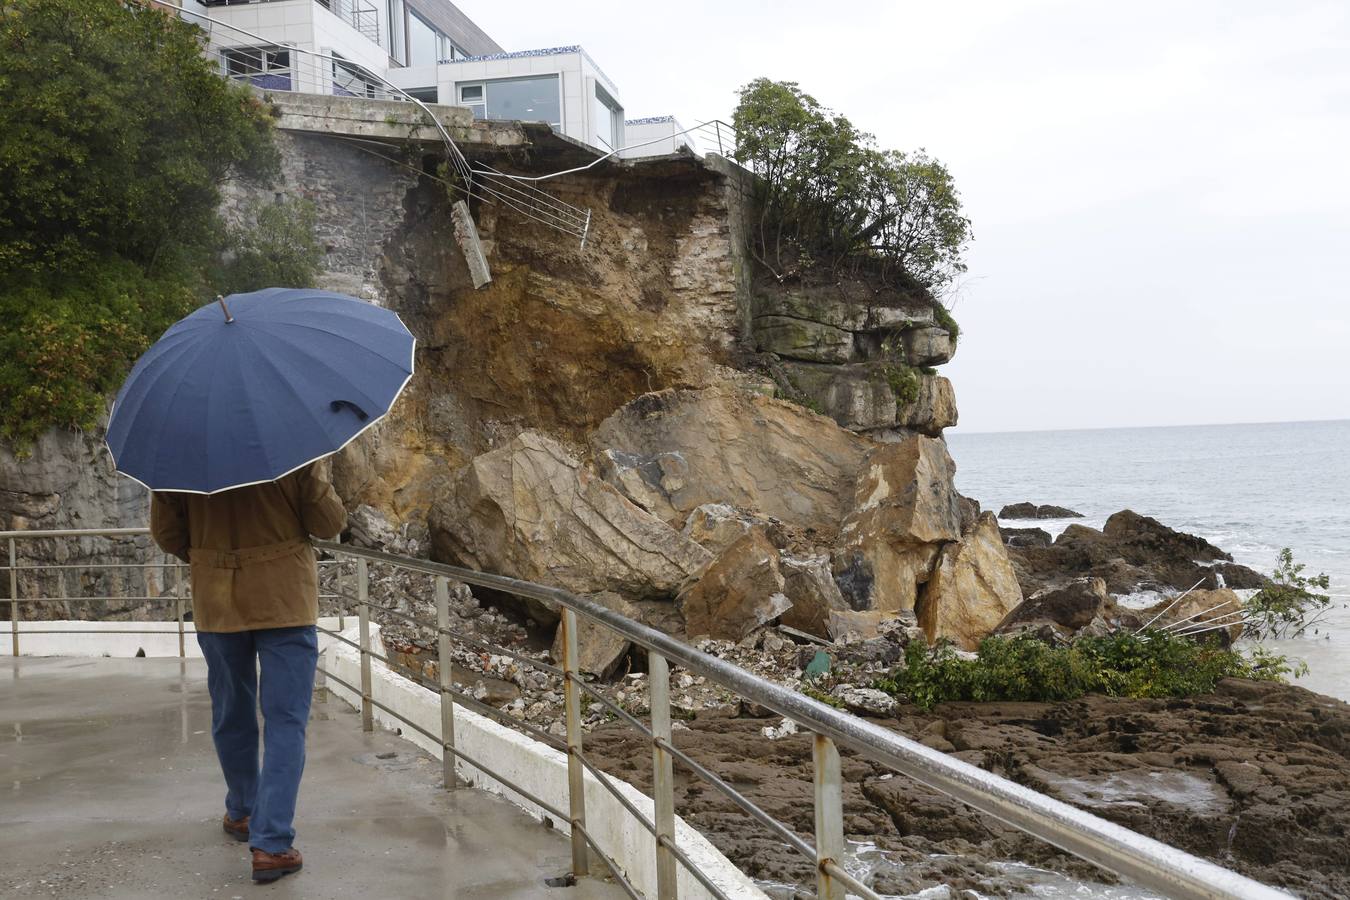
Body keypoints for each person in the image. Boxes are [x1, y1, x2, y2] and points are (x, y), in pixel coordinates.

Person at [150, 461, 345, 884]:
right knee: (286, 721)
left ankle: (242, 811)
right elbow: (328, 523)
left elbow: (167, 535)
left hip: (217, 599)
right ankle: (272, 844)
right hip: (285, 599)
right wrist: (317, 478)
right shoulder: (294, 452)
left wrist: (212, 558)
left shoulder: (178, 457)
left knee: (232, 711)